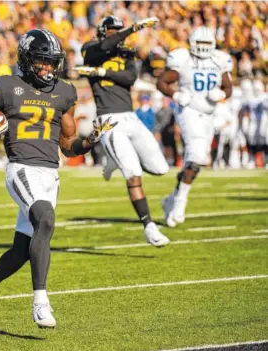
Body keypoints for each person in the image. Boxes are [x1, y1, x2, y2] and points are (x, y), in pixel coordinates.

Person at [0, 29, 115, 329]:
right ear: (27, 59)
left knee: (22, 249)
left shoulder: (64, 92)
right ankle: (41, 301)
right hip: (21, 168)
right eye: (41, 62)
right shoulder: (5, 86)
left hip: (49, 174)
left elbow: (68, 146)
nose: (47, 68)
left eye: (51, 62)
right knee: (46, 220)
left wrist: (91, 140)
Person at [75, 16, 170, 247]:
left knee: (160, 168)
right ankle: (149, 225)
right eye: (112, 30)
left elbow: (130, 78)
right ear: (102, 31)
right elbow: (104, 48)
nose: (116, 34)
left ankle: (114, 160)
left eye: (118, 30)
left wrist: (101, 73)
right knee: (133, 175)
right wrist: (132, 29)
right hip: (109, 119)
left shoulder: (126, 53)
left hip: (130, 116)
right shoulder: (91, 49)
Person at [157, 27, 233, 227]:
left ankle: (171, 200)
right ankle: (180, 202)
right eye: (199, 44)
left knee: (198, 161)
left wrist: (223, 94)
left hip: (209, 114)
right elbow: (162, 82)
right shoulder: (183, 59)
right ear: (191, 43)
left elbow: (228, 87)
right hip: (188, 110)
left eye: (206, 44)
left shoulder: (219, 60)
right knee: (196, 157)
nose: (202, 48)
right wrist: (175, 95)